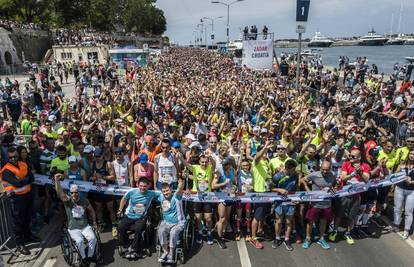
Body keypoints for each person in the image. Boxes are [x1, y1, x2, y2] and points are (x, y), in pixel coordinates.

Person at [0, 147, 40, 255]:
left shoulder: (23, 164)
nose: (13, 159)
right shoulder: (6, 170)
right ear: (7, 158)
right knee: (18, 222)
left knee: (27, 218)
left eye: (15, 156)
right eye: (10, 157)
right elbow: (17, 183)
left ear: (18, 155)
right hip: (16, 199)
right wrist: (25, 179)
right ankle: (20, 244)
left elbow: (31, 178)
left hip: (27, 195)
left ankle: (28, 236)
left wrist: (22, 180)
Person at [54, 173, 97, 265]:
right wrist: (57, 181)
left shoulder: (84, 200)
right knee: (80, 241)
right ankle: (83, 258)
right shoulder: (67, 200)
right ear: (70, 193)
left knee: (93, 238)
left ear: (79, 192)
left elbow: (92, 211)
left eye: (76, 192)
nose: (74, 194)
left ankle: (89, 256)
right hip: (73, 228)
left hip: (85, 226)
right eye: (72, 192)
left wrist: (94, 222)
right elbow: (60, 193)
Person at [117, 179, 161, 259]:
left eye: (144, 186)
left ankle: (134, 248)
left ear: (148, 186)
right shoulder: (132, 191)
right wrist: (120, 210)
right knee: (120, 226)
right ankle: (127, 245)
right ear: (137, 185)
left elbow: (164, 193)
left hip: (141, 217)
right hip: (129, 215)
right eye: (141, 186)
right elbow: (124, 199)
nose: (142, 188)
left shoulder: (151, 193)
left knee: (139, 228)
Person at [301, 160, 336, 249]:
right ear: (320, 168)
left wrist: (334, 188)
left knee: (323, 221)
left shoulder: (332, 175)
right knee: (310, 222)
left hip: (327, 204)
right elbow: (302, 180)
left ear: (330, 169)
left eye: (327, 170)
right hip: (315, 204)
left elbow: (334, 185)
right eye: (323, 169)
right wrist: (307, 189)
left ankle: (321, 238)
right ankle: (308, 239)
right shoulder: (314, 175)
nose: (324, 171)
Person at [271, 159, 298, 251]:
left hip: (290, 202)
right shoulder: (277, 176)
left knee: (289, 222)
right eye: (293, 169)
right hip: (279, 202)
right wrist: (279, 190)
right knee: (278, 221)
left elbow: (296, 187)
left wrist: (296, 198)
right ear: (287, 168)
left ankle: (287, 239)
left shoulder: (295, 175)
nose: (294, 171)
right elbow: (270, 188)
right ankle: (277, 238)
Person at [157, 179, 185, 263]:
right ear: (162, 192)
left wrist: (180, 183)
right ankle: (166, 251)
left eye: (167, 190)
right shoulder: (161, 197)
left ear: (171, 189)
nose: (166, 193)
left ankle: (171, 253)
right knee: (160, 230)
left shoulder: (176, 196)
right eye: (164, 191)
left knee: (173, 233)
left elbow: (180, 189)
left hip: (178, 223)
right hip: (166, 222)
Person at [394, 149, 414, 240]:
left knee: (408, 211)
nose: (412, 155)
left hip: (411, 191)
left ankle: (406, 231)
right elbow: (395, 175)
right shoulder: (402, 163)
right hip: (399, 188)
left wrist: (411, 182)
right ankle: (396, 225)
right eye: (410, 153)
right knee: (397, 208)